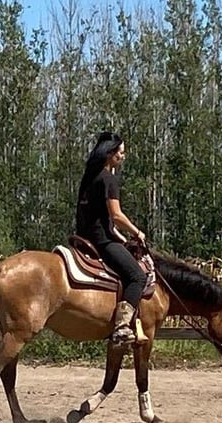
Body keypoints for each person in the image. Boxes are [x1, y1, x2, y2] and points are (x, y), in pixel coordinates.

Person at [75, 131, 147, 346]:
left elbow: (101, 219)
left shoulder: (89, 177)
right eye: (121, 153)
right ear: (110, 154)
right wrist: (137, 233)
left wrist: (121, 237)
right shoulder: (108, 179)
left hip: (84, 237)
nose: (123, 156)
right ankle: (122, 326)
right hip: (101, 241)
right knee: (137, 277)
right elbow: (116, 215)